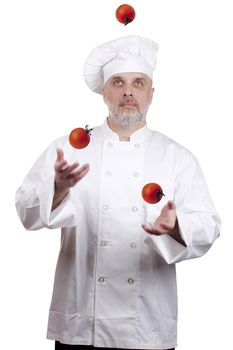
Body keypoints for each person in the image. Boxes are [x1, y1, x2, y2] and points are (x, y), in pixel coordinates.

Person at [15, 36, 220, 350]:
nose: (128, 91)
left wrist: (176, 226)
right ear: (105, 92)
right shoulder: (69, 148)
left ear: (151, 94)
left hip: (147, 326)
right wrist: (57, 188)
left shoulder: (176, 156)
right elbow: (25, 209)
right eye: (118, 82)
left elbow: (209, 226)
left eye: (138, 83)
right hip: (82, 324)